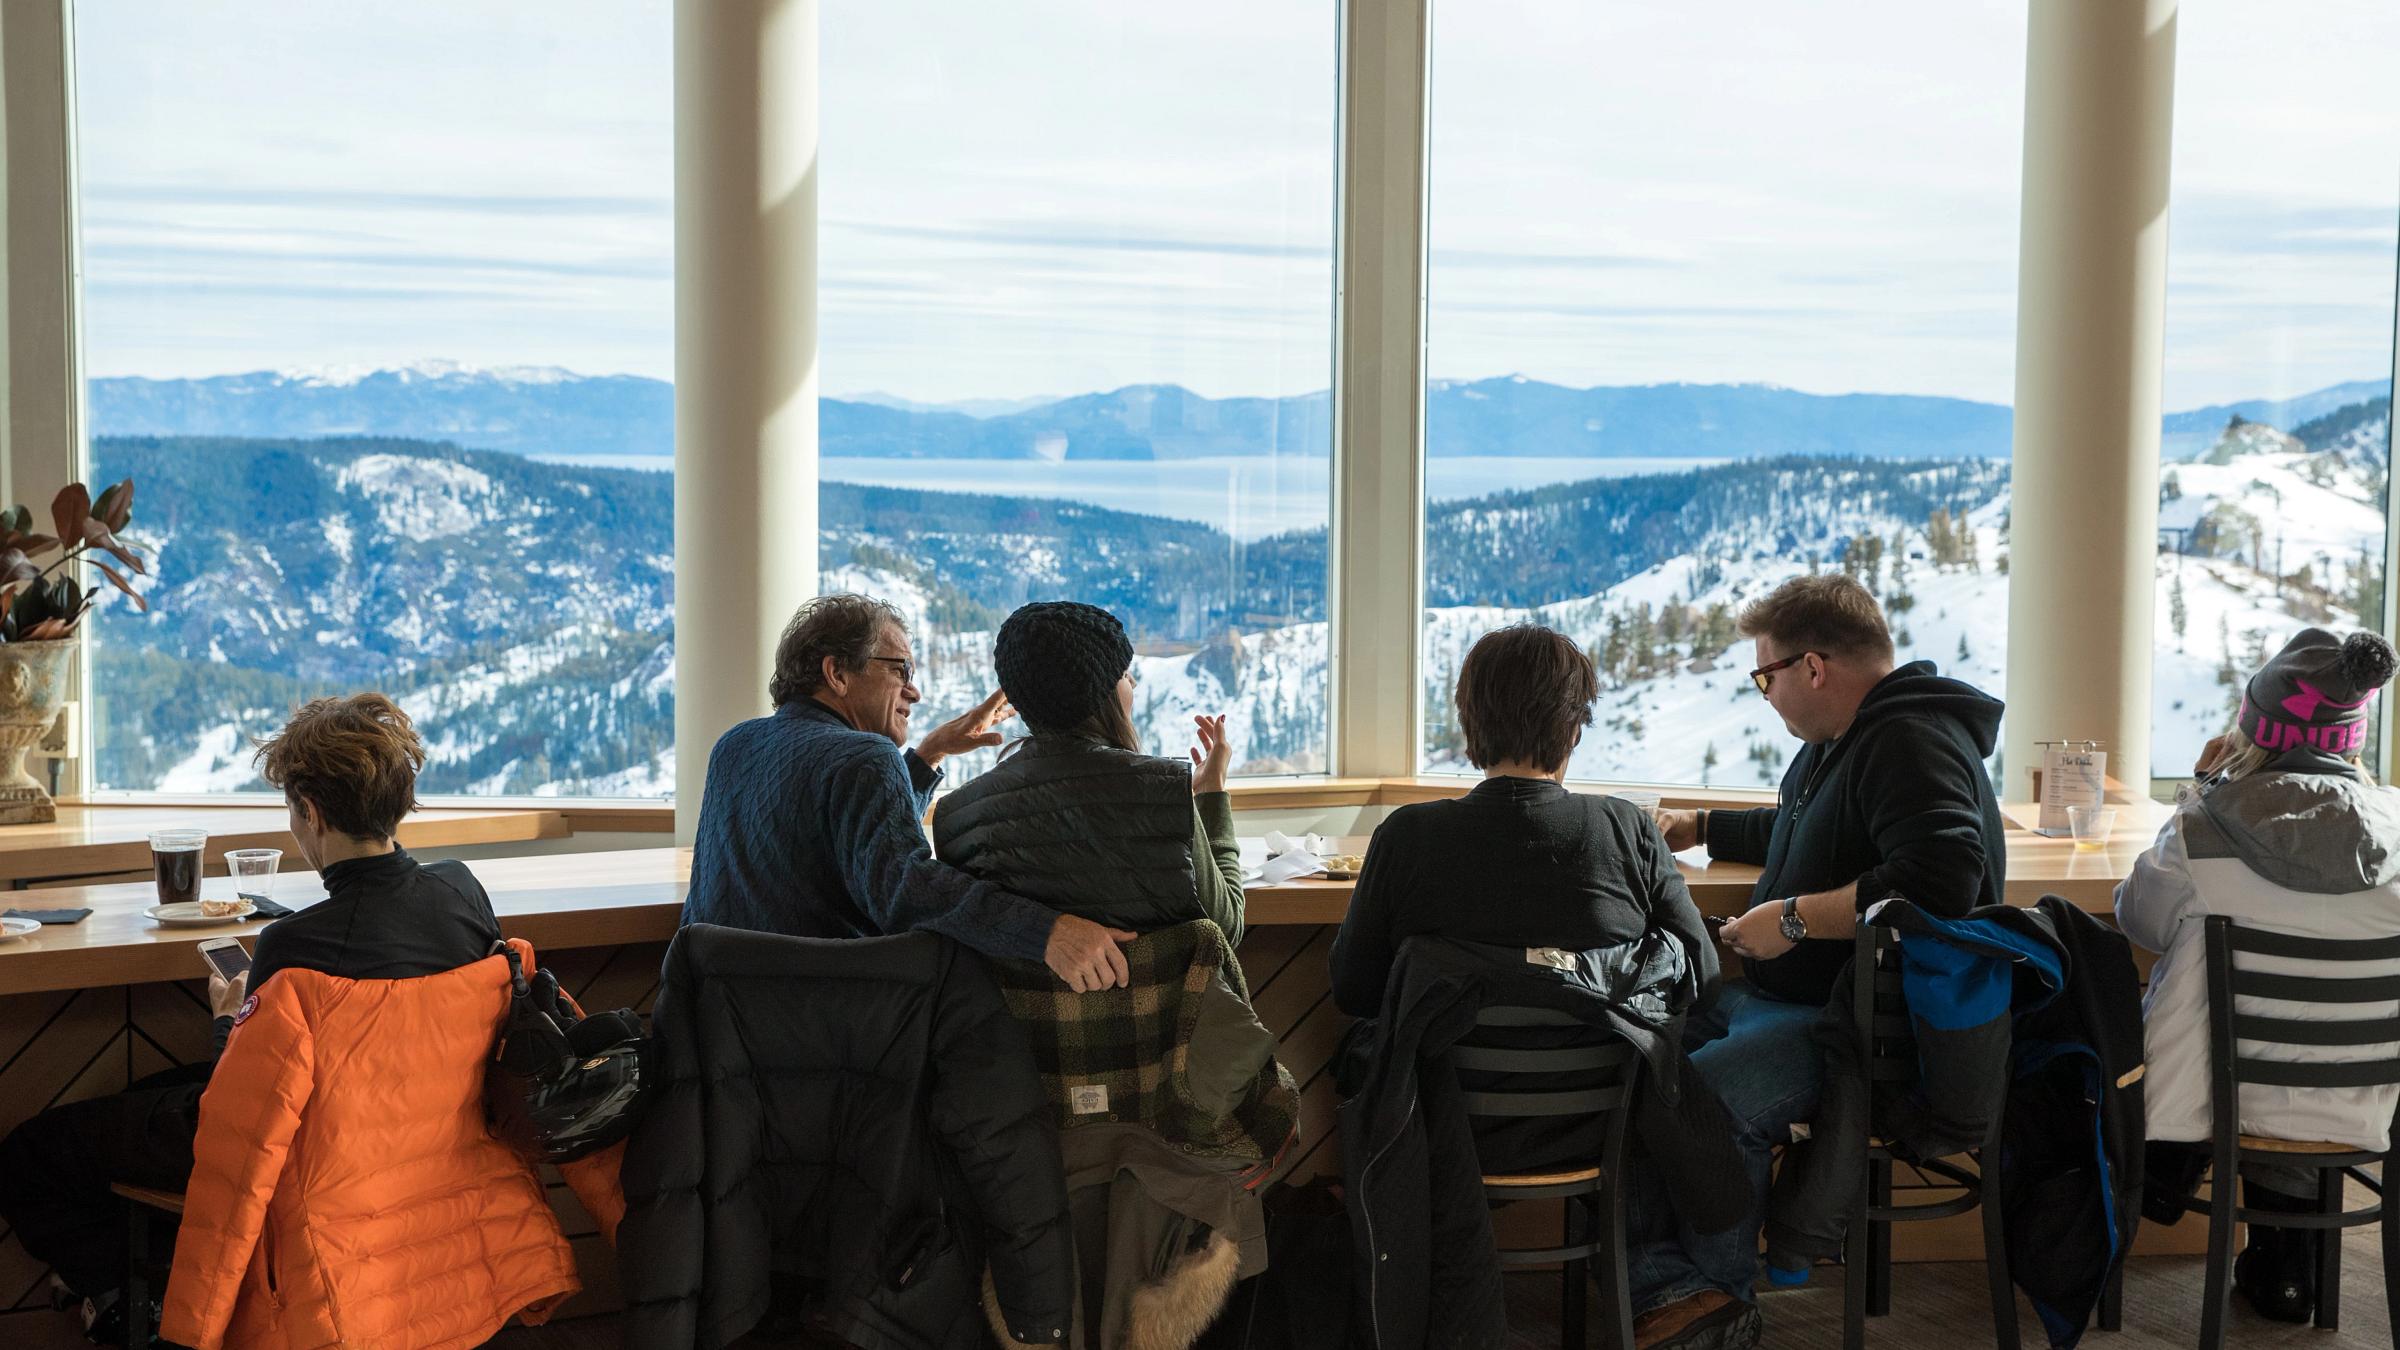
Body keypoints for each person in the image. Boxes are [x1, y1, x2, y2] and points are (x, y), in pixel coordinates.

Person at [0, 693, 505, 1345]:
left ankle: (126, 1302)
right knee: (136, 1101)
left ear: (311, 812)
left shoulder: (293, 947)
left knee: (32, 1152)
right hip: (425, 1147)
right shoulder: (462, 891)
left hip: (299, 1162)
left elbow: (246, 1109)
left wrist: (228, 1019)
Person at [1638, 573, 2004, 1350]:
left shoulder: (1910, 738)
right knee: (1646, 1054)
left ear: (1813, 668)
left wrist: (1796, 921)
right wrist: (1703, 824)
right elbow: (1808, 832)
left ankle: (1717, 1309)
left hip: (1861, 1022)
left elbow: (1944, 877)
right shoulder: (1843, 741)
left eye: (1763, 675)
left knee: (1706, 1100)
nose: (1762, 693)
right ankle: (1670, 1286)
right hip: (1798, 1002)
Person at [1328, 621, 1720, 1172]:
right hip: (1602, 1127)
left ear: (1469, 720)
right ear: (1575, 729)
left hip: (1441, 1127)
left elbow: (1355, 990)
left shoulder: (1408, 836)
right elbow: (1701, 971)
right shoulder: (1628, 830)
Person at [2118, 626, 2400, 1325]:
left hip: (2221, 1097)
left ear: (2255, 732)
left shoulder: (2203, 830)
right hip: (2367, 1100)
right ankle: (2286, 1270)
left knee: (2218, 1045)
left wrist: (2202, 790)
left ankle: (2152, 1192)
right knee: (2298, 1058)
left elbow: (2138, 922)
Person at [681, 593, 1135, 991]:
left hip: (716, 1024)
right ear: (837, 673)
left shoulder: (735, 744)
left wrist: (929, 753)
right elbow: (906, 889)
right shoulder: (865, 756)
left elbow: (853, 835)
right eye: (900, 670)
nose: (913, 691)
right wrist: (1048, 933)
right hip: (819, 1030)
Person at [930, 599, 1245, 942]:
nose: (1134, 684)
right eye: (1125, 674)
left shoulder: (955, 820)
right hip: (1172, 998)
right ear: (1102, 693)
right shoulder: (1162, 792)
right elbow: (1226, 928)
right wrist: (1212, 793)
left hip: (1016, 998)